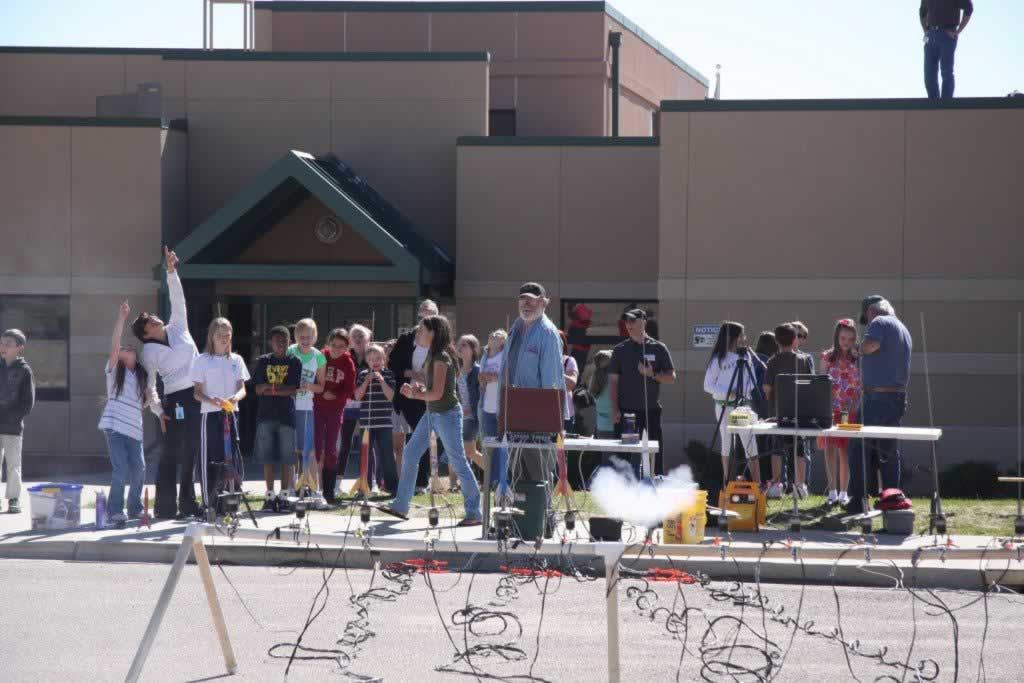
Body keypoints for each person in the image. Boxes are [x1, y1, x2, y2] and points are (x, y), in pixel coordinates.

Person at [385, 315, 482, 525]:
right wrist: (419, 389)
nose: (418, 332)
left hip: (447, 414)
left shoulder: (440, 358)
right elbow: (434, 389)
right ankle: (401, 505)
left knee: (458, 461)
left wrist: (415, 394)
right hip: (433, 413)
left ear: (433, 333)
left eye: (422, 329)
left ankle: (474, 512)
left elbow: (437, 394)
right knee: (411, 453)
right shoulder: (433, 355)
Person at [132, 246, 200, 519]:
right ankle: (165, 507)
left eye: (151, 317)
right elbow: (149, 386)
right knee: (172, 452)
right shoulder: (148, 352)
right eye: (148, 322)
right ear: (145, 334)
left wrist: (171, 271)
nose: (153, 318)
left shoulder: (178, 326)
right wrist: (159, 411)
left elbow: (178, 299)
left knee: (192, 451)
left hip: (199, 394)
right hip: (176, 400)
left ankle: (188, 505)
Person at [498, 283, 566, 499]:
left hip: (538, 422)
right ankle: (519, 515)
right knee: (515, 475)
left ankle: (543, 514)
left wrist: (551, 423)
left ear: (544, 303)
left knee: (538, 475)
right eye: (522, 299)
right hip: (513, 415)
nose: (526, 304)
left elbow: (552, 383)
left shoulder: (547, 333)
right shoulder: (516, 327)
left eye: (532, 300)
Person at [846, 296, 913, 515]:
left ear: (870, 312)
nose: (867, 322)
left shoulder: (879, 322)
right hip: (897, 398)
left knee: (858, 447)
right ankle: (892, 499)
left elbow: (871, 345)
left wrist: (857, 349)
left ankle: (858, 500)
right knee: (888, 451)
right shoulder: (902, 328)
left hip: (877, 398)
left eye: (866, 318)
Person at [99, 302, 150, 524]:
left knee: (139, 469)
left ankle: (135, 507)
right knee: (120, 469)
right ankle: (114, 510)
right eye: (123, 349)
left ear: (135, 356)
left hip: (134, 430)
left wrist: (152, 401)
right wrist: (121, 318)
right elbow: (114, 346)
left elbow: (144, 403)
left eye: (129, 348)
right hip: (115, 429)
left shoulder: (141, 377)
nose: (124, 350)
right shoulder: (113, 373)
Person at [191, 318, 249, 511]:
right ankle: (210, 504)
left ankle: (231, 503)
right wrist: (211, 400)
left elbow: (242, 389)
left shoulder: (236, 360)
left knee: (232, 457)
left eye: (227, 335)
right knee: (210, 458)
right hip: (210, 414)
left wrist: (235, 398)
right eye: (220, 335)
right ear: (212, 337)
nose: (224, 339)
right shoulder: (201, 360)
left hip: (231, 414)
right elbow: (197, 393)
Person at [609, 308, 676, 476]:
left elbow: (671, 377)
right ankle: (622, 486)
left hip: (650, 411)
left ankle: (655, 482)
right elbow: (613, 382)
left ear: (643, 322)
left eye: (633, 320)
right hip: (627, 413)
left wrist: (652, 374)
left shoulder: (659, 348)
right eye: (626, 321)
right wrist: (614, 409)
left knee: (653, 453)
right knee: (624, 454)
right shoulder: (620, 350)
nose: (628, 324)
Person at [390, 299, 441, 490]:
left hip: (430, 395)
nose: (426, 316)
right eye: (423, 312)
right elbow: (393, 364)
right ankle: (410, 481)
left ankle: (422, 481)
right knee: (416, 437)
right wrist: (412, 373)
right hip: (407, 395)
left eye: (430, 313)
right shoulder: (406, 338)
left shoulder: (440, 341)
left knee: (425, 437)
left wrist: (429, 378)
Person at [703, 322, 762, 486]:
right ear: (735, 337)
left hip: (741, 407)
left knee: (749, 443)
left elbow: (751, 382)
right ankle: (728, 483)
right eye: (742, 335)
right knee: (726, 442)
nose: (745, 338)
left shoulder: (745, 357)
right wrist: (728, 392)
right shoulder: (718, 359)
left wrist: (741, 392)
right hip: (723, 405)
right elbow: (708, 385)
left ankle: (757, 485)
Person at [252, 325, 302, 509]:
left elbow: (293, 390)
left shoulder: (294, 362)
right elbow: (258, 389)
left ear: (290, 342)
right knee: (268, 458)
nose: (281, 344)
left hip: (286, 417)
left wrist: (269, 388)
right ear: (270, 343)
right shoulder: (263, 361)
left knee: (287, 459)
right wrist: (280, 389)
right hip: (265, 416)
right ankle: (270, 496)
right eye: (277, 341)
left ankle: (284, 496)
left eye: (284, 340)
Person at [763, 323, 814, 499]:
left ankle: (777, 484)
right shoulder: (804, 360)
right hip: (799, 414)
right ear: (794, 340)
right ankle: (800, 486)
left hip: (777, 414)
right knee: (800, 449)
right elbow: (811, 385)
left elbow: (767, 389)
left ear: (776, 341)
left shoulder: (772, 361)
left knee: (777, 449)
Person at [818, 318, 861, 507]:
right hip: (829, 410)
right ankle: (832, 491)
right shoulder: (827, 356)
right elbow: (821, 383)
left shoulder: (857, 358)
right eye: (843, 338)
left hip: (848, 410)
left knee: (845, 450)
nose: (846, 342)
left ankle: (844, 492)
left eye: (850, 339)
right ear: (837, 337)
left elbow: (861, 386)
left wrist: (855, 404)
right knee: (829, 448)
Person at [316, 328, 356, 503]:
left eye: (341, 346)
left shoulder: (348, 363)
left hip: (335, 409)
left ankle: (329, 490)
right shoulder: (320, 357)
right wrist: (321, 392)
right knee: (317, 447)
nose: (337, 349)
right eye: (333, 345)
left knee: (331, 448)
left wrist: (336, 395)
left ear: (347, 347)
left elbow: (349, 389)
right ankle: (314, 488)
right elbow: (312, 380)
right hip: (317, 407)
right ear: (328, 343)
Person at [288, 318, 326, 498]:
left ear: (315, 337)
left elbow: (321, 387)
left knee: (309, 450)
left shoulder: (319, 356)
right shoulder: (290, 351)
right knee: (292, 449)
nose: (305, 340)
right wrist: (293, 386)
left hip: (308, 408)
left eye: (309, 337)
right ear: (296, 337)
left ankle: (314, 488)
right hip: (290, 406)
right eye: (301, 337)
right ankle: (291, 487)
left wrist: (308, 386)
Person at [354, 344, 399, 494]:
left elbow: (391, 396)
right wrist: (366, 382)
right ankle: (364, 486)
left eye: (378, 358)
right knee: (365, 455)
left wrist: (381, 380)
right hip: (366, 423)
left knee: (387, 455)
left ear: (384, 359)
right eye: (371, 359)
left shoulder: (389, 374)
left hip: (384, 422)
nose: (375, 362)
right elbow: (357, 396)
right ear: (367, 360)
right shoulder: (362, 375)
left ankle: (392, 487)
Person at [0, 329, 35, 514]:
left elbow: (28, 403)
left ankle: (14, 498)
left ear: (19, 348)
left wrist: (12, 416)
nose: (3, 347)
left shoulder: (24, 371)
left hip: (12, 426)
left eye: (8, 344)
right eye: (1, 342)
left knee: (13, 465)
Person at [920, 0, 973, 99]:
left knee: (946, 72)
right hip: (931, 35)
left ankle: (946, 104)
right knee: (929, 76)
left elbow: (969, 7)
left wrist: (958, 31)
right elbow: (922, 11)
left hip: (947, 35)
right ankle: (934, 104)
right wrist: (926, 31)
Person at [339, 324, 371, 491]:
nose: (358, 339)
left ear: (368, 339)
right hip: (348, 405)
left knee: (367, 444)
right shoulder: (345, 357)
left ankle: (368, 481)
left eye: (361, 336)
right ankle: (337, 483)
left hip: (368, 405)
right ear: (350, 340)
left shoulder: (373, 355)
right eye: (355, 336)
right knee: (345, 443)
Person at [478, 329, 508, 492]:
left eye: (498, 335)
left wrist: (493, 377)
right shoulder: (484, 356)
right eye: (492, 334)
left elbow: (506, 376)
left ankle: (499, 479)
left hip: (500, 406)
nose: (493, 336)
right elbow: (481, 378)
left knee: (501, 445)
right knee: (488, 446)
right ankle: (489, 479)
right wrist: (483, 378)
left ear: (503, 341)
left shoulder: (505, 355)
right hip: (486, 405)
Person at [455, 334, 482, 490]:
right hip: (460, 416)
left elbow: (481, 395)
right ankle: (495, 476)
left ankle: (495, 476)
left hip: (472, 417)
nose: (460, 347)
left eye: (464, 345)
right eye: (459, 344)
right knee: (468, 452)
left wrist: (470, 409)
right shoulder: (457, 370)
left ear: (473, 349)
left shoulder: (477, 370)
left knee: (468, 451)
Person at [559, 331, 580, 433]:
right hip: (546, 411)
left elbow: (571, 384)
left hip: (565, 414)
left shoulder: (569, 361)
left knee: (563, 443)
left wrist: (554, 369)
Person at [564, 303, 593, 372]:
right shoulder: (578, 322)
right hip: (580, 348)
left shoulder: (577, 322)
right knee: (577, 368)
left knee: (576, 368)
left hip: (579, 348)